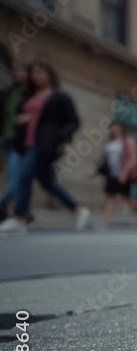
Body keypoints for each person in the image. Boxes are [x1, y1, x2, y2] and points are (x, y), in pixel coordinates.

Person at [0, 61, 90, 233]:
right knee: (47, 183)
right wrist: (18, 121)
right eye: (33, 73)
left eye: (40, 72)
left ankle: (19, 218)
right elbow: (18, 118)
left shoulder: (59, 97)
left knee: (23, 177)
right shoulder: (28, 97)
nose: (36, 76)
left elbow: (74, 122)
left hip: (43, 145)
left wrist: (59, 137)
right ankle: (78, 210)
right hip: (24, 145)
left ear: (49, 74)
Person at [98, 120, 137, 228]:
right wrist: (96, 170)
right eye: (112, 128)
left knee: (125, 198)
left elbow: (133, 158)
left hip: (124, 173)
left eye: (117, 127)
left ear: (122, 129)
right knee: (110, 196)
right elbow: (104, 158)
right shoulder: (109, 142)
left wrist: (125, 173)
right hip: (111, 173)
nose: (114, 130)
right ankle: (107, 221)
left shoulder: (128, 141)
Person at [0, 60, 27, 222]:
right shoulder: (10, 91)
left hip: (21, 140)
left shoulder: (29, 94)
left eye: (19, 71)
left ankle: (3, 206)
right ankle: (23, 212)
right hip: (6, 138)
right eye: (14, 71)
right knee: (13, 176)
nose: (15, 73)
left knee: (14, 176)